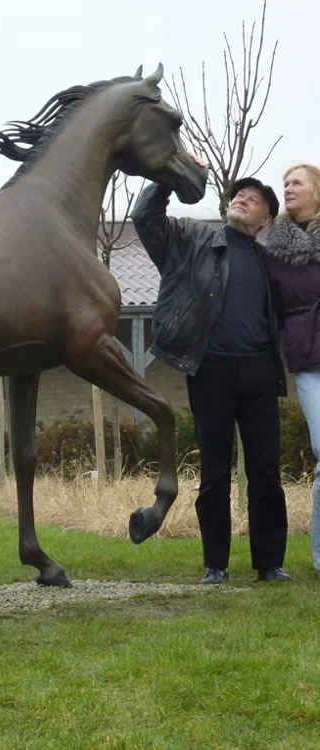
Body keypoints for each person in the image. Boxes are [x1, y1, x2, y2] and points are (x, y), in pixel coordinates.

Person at [131, 162, 291, 584]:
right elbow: (145, 218)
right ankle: (215, 566)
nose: (241, 199)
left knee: (265, 471)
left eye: (252, 199)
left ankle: (270, 564)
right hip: (210, 371)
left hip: (259, 373)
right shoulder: (192, 238)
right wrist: (168, 174)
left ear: (265, 221)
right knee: (215, 472)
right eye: (239, 195)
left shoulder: (270, 260)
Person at [262, 163, 320, 578]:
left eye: (297, 182)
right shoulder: (272, 249)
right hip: (309, 359)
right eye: (285, 183)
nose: (288, 188)